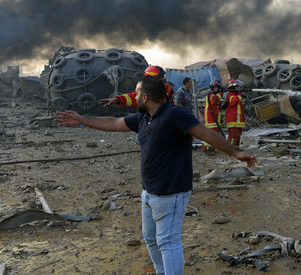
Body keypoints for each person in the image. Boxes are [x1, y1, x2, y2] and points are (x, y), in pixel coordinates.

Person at [55, 76, 257, 275]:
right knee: (151, 238)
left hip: (171, 192)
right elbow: (115, 123)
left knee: (168, 241)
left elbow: (206, 134)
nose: (134, 98)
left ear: (145, 97)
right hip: (149, 192)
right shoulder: (144, 117)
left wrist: (236, 153)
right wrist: (81, 119)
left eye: (137, 93)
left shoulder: (174, 114)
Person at [99, 65, 173, 107]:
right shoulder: (146, 96)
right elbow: (133, 97)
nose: (163, 79)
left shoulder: (168, 92)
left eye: (163, 76)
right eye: (161, 77)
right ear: (152, 79)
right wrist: (117, 99)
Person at [202, 80, 224, 153]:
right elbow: (216, 99)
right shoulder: (211, 95)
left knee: (215, 135)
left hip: (214, 120)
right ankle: (206, 148)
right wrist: (221, 93)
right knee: (212, 136)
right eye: (215, 87)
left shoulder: (212, 95)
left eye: (217, 87)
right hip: (211, 120)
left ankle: (211, 149)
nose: (217, 89)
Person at [224, 79, 246, 147]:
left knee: (238, 135)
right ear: (232, 88)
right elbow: (234, 101)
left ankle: (236, 148)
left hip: (238, 120)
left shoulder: (237, 96)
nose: (238, 88)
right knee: (233, 135)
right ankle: (230, 149)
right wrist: (241, 95)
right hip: (233, 120)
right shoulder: (230, 95)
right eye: (236, 87)